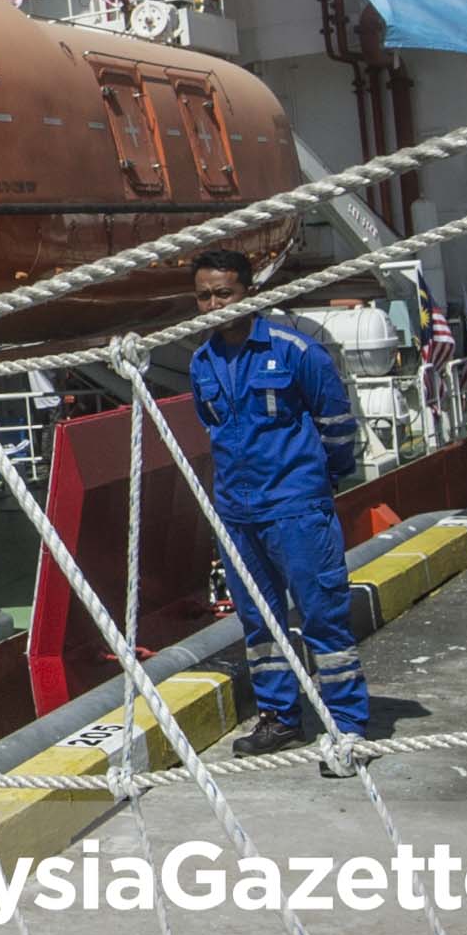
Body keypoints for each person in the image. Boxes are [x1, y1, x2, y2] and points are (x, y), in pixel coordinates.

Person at [186, 249, 369, 760]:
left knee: (322, 616)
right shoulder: (202, 362)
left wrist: (317, 483)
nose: (214, 304)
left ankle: (346, 725)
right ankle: (280, 717)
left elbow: (336, 424)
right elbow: (212, 425)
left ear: (250, 294)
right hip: (238, 515)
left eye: (224, 293)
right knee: (259, 625)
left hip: (297, 509)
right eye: (204, 296)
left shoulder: (295, 352)